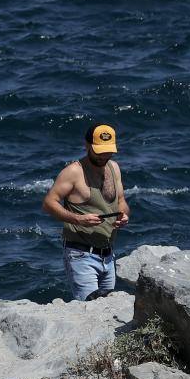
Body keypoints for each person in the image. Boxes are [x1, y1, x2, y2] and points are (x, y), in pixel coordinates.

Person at [41, 124, 131, 301]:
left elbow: (121, 201)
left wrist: (123, 215)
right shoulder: (74, 172)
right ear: (87, 145)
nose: (103, 156)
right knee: (89, 307)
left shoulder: (114, 168)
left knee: (107, 307)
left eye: (108, 151)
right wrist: (78, 219)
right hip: (81, 255)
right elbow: (48, 203)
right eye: (99, 151)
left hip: (108, 255)